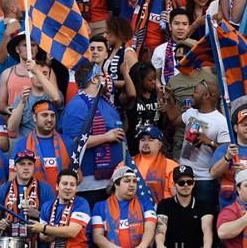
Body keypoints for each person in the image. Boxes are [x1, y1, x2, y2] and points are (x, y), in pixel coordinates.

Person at [62, 63, 123, 203]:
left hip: (111, 180)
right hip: (89, 185)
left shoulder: (105, 101)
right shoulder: (76, 106)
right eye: (102, 75)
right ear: (94, 79)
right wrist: (106, 137)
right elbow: (75, 142)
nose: (107, 79)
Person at [179, 79, 229, 206]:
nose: (192, 95)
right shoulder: (191, 112)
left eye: (196, 92)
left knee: (204, 218)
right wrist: (167, 100)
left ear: (206, 95)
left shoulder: (221, 122)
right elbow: (175, 120)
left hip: (205, 180)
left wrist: (210, 142)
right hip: (184, 176)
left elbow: (227, 154)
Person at [0, 149, 56, 243]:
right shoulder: (4, 188)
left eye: (30, 164)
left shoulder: (45, 188)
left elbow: (55, 220)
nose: (26, 167)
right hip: (10, 243)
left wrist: (38, 214)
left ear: (34, 167)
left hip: (37, 243)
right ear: (15, 167)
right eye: (22, 164)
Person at [90, 165, 156, 248]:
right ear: (116, 185)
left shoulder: (145, 203)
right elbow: (97, 236)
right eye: (127, 181)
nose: (132, 185)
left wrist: (142, 246)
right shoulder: (100, 207)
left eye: (134, 181)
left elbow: (150, 228)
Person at [155, 165, 215, 248]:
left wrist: (207, 246)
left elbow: (207, 228)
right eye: (181, 182)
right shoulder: (165, 204)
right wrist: (160, 245)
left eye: (189, 182)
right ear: (174, 185)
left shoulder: (204, 205)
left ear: (193, 183)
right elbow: (161, 228)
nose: (186, 185)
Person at [28, 169, 90, 248]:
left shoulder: (81, 204)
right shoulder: (47, 206)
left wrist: (45, 229)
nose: (68, 187)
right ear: (57, 186)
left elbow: (72, 232)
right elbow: (43, 237)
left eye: (72, 185)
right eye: (65, 184)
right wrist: (51, 231)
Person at [130, 126, 177, 203]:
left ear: (159, 144)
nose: (145, 143)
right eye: (142, 140)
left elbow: (177, 196)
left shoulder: (172, 166)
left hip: (162, 211)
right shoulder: (127, 162)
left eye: (150, 140)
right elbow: (111, 189)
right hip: (134, 210)